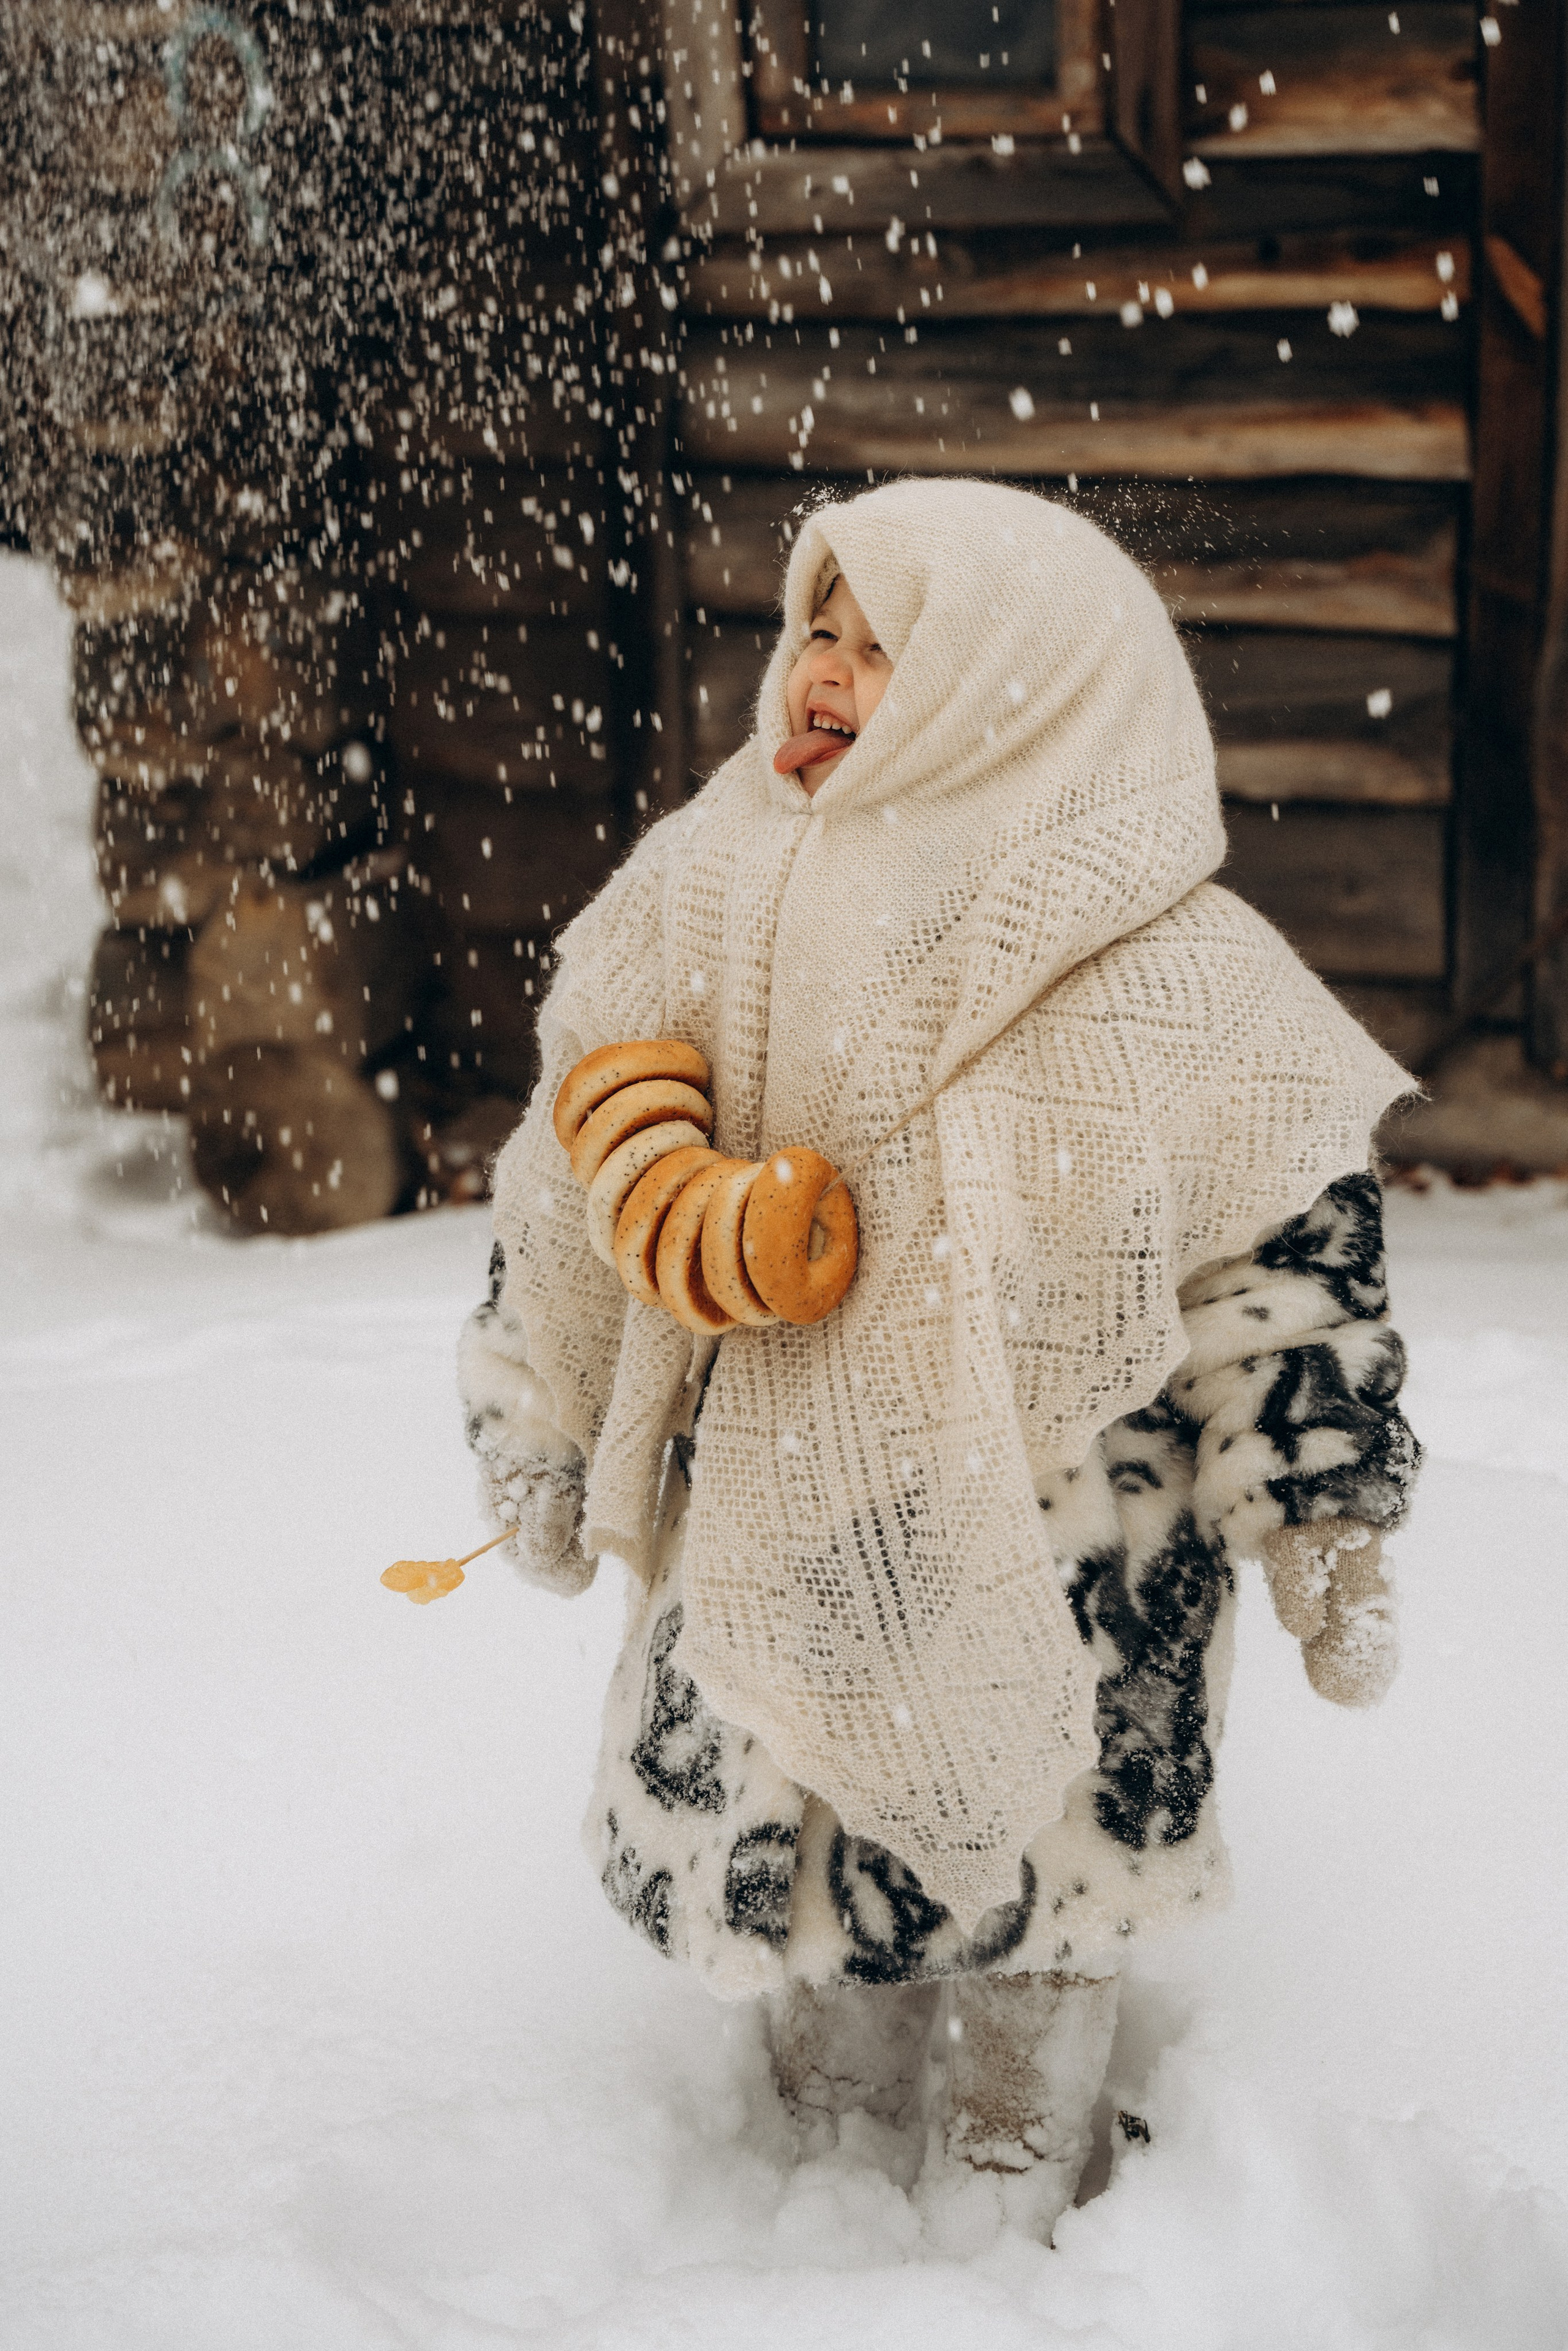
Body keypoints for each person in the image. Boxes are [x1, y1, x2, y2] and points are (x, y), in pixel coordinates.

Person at [457, 478, 1420, 2240]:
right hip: (784, 1490)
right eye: (816, 627)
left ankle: (1017, 2139)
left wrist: (1324, 1510)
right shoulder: (714, 874)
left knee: (1048, 1862)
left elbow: (1286, 1258)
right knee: (803, 1809)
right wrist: (544, 1403)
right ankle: (821, 2136)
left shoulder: (1163, 959)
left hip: (1072, 1540)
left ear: (1021, 681)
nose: (824, 668)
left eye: (885, 642)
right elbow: (579, 1162)